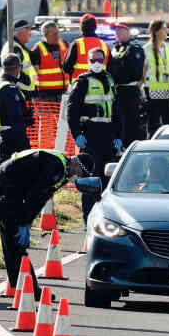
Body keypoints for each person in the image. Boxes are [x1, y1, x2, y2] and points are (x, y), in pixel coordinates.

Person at [0, 149, 90, 304]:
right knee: (13, 241)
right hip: (3, 186)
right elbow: (34, 195)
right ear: (76, 163)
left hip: (14, 190)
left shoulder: (62, 173)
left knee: (15, 243)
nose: (79, 177)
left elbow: (41, 199)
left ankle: (24, 287)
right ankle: (25, 289)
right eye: (81, 173)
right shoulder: (57, 167)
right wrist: (23, 222)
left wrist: (28, 222)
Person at [66, 46, 122, 221]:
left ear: (104, 60)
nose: (96, 63)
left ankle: (105, 219)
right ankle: (88, 219)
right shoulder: (83, 81)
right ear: (88, 62)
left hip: (107, 135)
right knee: (90, 180)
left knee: (107, 179)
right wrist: (76, 134)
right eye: (92, 60)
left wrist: (119, 136)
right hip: (90, 134)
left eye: (99, 60)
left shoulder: (109, 79)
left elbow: (116, 111)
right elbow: (71, 110)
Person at [108, 21, 148, 145]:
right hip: (117, 91)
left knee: (131, 123)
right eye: (116, 31)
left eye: (121, 31)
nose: (118, 33)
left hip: (130, 91)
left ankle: (131, 146)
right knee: (119, 121)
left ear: (128, 32)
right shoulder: (115, 48)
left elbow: (136, 70)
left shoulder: (134, 48)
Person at [0, 53, 34, 160]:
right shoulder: (10, 89)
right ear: (17, 67)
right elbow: (15, 119)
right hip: (13, 140)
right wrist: (25, 146)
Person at [143, 20, 169, 134]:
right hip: (153, 91)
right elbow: (143, 72)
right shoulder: (146, 49)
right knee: (154, 123)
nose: (166, 31)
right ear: (156, 32)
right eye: (163, 29)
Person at [61, 13, 110, 80]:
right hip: (100, 86)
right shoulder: (104, 45)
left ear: (81, 27)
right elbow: (111, 69)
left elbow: (66, 67)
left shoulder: (76, 44)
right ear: (95, 27)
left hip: (79, 86)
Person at [30, 21, 69, 102]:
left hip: (64, 92)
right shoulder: (37, 49)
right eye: (54, 34)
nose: (57, 36)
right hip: (46, 95)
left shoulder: (64, 44)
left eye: (58, 33)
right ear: (45, 35)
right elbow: (33, 74)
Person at [0, 20, 36, 95]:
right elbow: (14, 68)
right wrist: (27, 81)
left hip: (23, 89)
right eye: (28, 30)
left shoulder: (17, 46)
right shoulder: (14, 47)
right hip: (21, 89)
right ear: (20, 32)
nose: (30, 33)